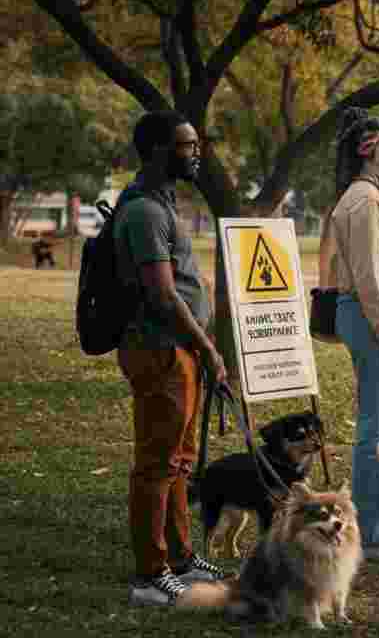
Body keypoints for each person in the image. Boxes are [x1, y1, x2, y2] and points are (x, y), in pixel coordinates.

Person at [114, 110, 228, 606]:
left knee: (179, 462)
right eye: (186, 145)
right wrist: (206, 346)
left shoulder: (162, 202)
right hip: (160, 349)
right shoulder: (144, 211)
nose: (196, 152)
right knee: (157, 465)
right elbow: (162, 295)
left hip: (180, 348)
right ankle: (150, 573)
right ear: (160, 150)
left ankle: (180, 557)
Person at [328, 108, 379, 561]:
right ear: (366, 148)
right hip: (366, 314)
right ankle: (374, 534)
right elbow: (369, 277)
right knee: (377, 427)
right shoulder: (363, 199)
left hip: (378, 316)